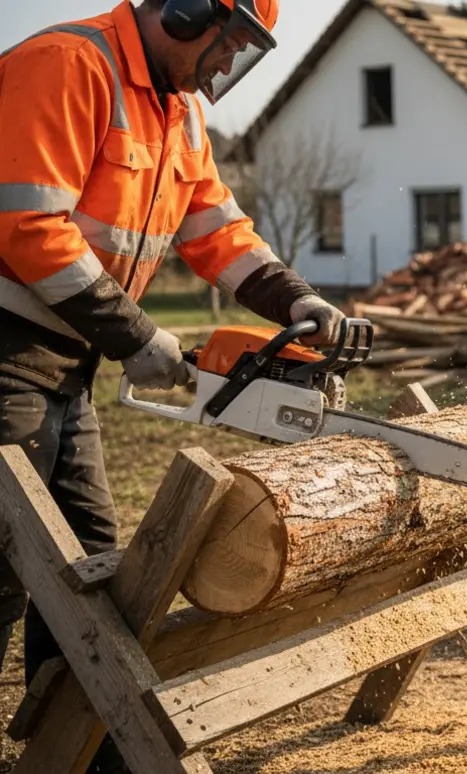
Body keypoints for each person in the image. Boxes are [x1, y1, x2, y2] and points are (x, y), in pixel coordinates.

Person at [0, 2, 342, 769]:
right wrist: (136, 335)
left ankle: (82, 746)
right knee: (3, 564)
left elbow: (214, 227)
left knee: (89, 571)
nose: (226, 66)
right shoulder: (69, 64)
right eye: (228, 46)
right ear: (186, 12)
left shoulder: (176, 111)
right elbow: (26, 225)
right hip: (6, 350)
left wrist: (295, 299)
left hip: (68, 366)